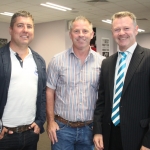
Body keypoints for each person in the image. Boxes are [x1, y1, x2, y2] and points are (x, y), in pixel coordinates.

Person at [93, 11, 150, 150]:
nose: (121, 33)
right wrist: (98, 130)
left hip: (138, 136)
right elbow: (102, 101)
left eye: (126, 28)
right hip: (109, 135)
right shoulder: (107, 63)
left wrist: (148, 142)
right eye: (117, 29)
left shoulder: (148, 58)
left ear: (136, 30)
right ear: (112, 32)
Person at [46, 16, 105, 150]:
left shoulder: (102, 62)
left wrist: (100, 128)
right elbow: (49, 90)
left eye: (85, 31)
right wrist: (50, 122)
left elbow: (103, 98)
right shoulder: (57, 60)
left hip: (90, 129)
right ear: (70, 34)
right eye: (76, 31)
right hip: (62, 129)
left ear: (92, 34)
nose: (81, 35)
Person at [0, 11, 46, 150]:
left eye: (29, 26)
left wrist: (40, 121)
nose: (25, 30)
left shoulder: (39, 61)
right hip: (5, 136)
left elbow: (42, 94)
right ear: (11, 30)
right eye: (20, 25)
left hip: (31, 134)